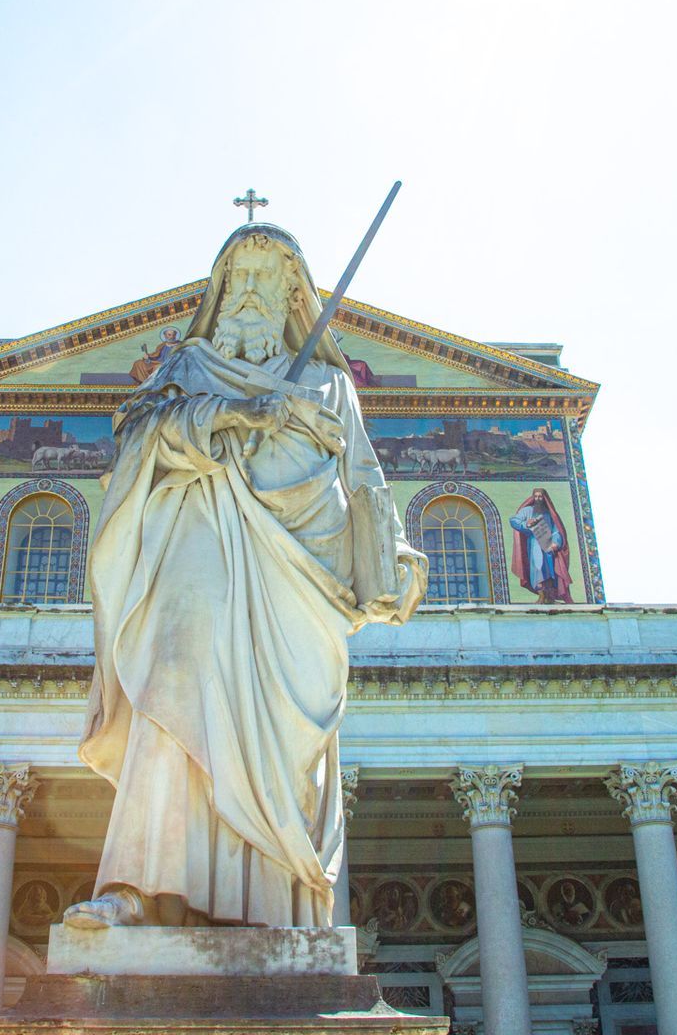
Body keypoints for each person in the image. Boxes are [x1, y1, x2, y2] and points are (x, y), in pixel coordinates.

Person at [65, 224, 428, 931]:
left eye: (271, 281)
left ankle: (278, 908)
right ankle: (136, 888)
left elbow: (364, 480)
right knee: (171, 683)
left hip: (301, 586)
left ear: (295, 297)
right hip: (200, 552)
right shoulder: (190, 369)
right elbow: (137, 436)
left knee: (287, 753)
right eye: (243, 280)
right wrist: (232, 412)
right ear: (221, 292)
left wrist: (395, 558)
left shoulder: (329, 384)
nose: (254, 296)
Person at [509, 487, 573, 604]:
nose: (538, 499)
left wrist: (556, 543)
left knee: (549, 571)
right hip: (534, 544)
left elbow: (556, 530)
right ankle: (541, 595)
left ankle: (549, 597)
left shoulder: (549, 514)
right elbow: (514, 520)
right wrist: (526, 523)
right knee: (537, 568)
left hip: (548, 546)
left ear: (545, 498)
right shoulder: (528, 511)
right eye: (536, 496)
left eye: (540, 496)